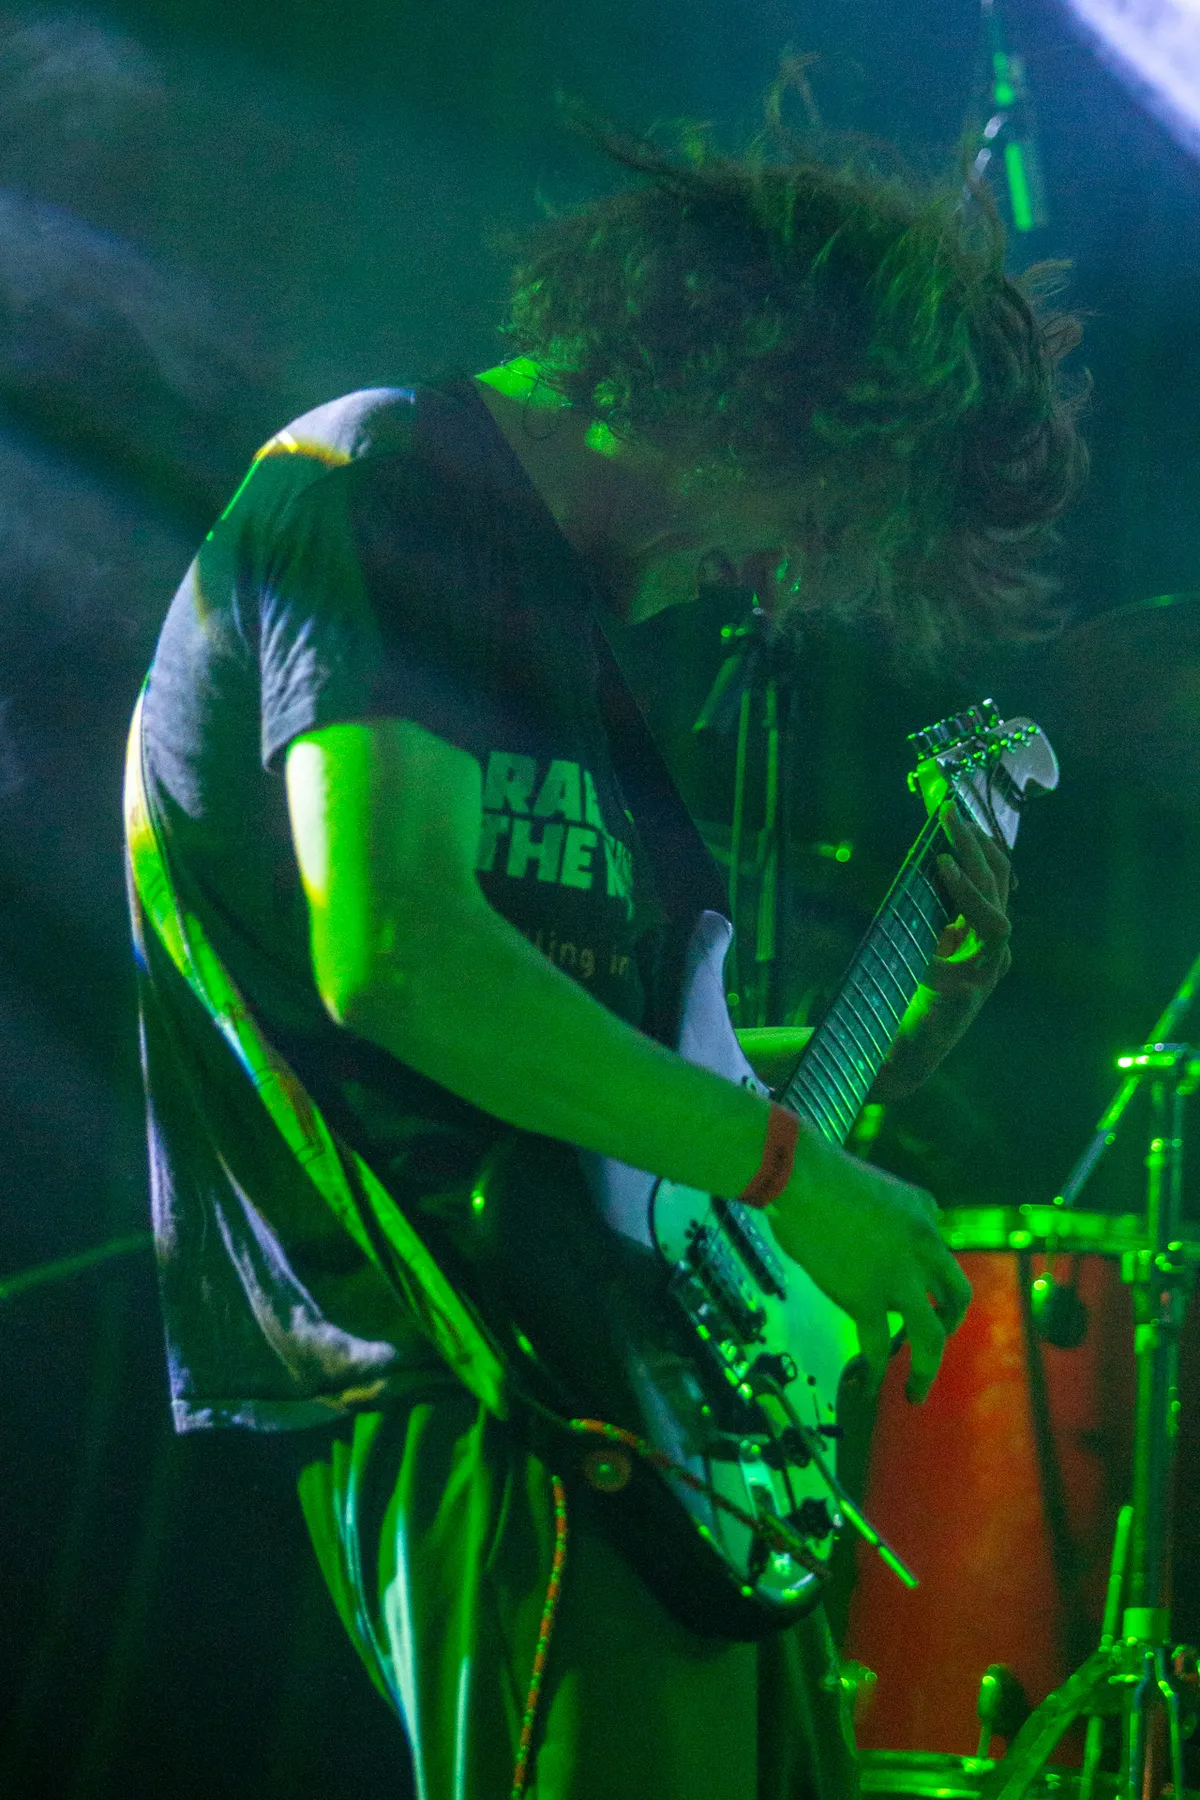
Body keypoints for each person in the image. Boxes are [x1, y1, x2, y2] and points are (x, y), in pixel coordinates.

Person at [125, 117, 1085, 1800]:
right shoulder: (383, 477)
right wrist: (796, 1174)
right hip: (488, 1368)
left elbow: (593, 1067)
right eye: (817, 515)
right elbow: (400, 954)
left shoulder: (567, 641)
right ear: (758, 394)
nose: (782, 579)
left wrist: (885, 1042)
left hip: (632, 1400)